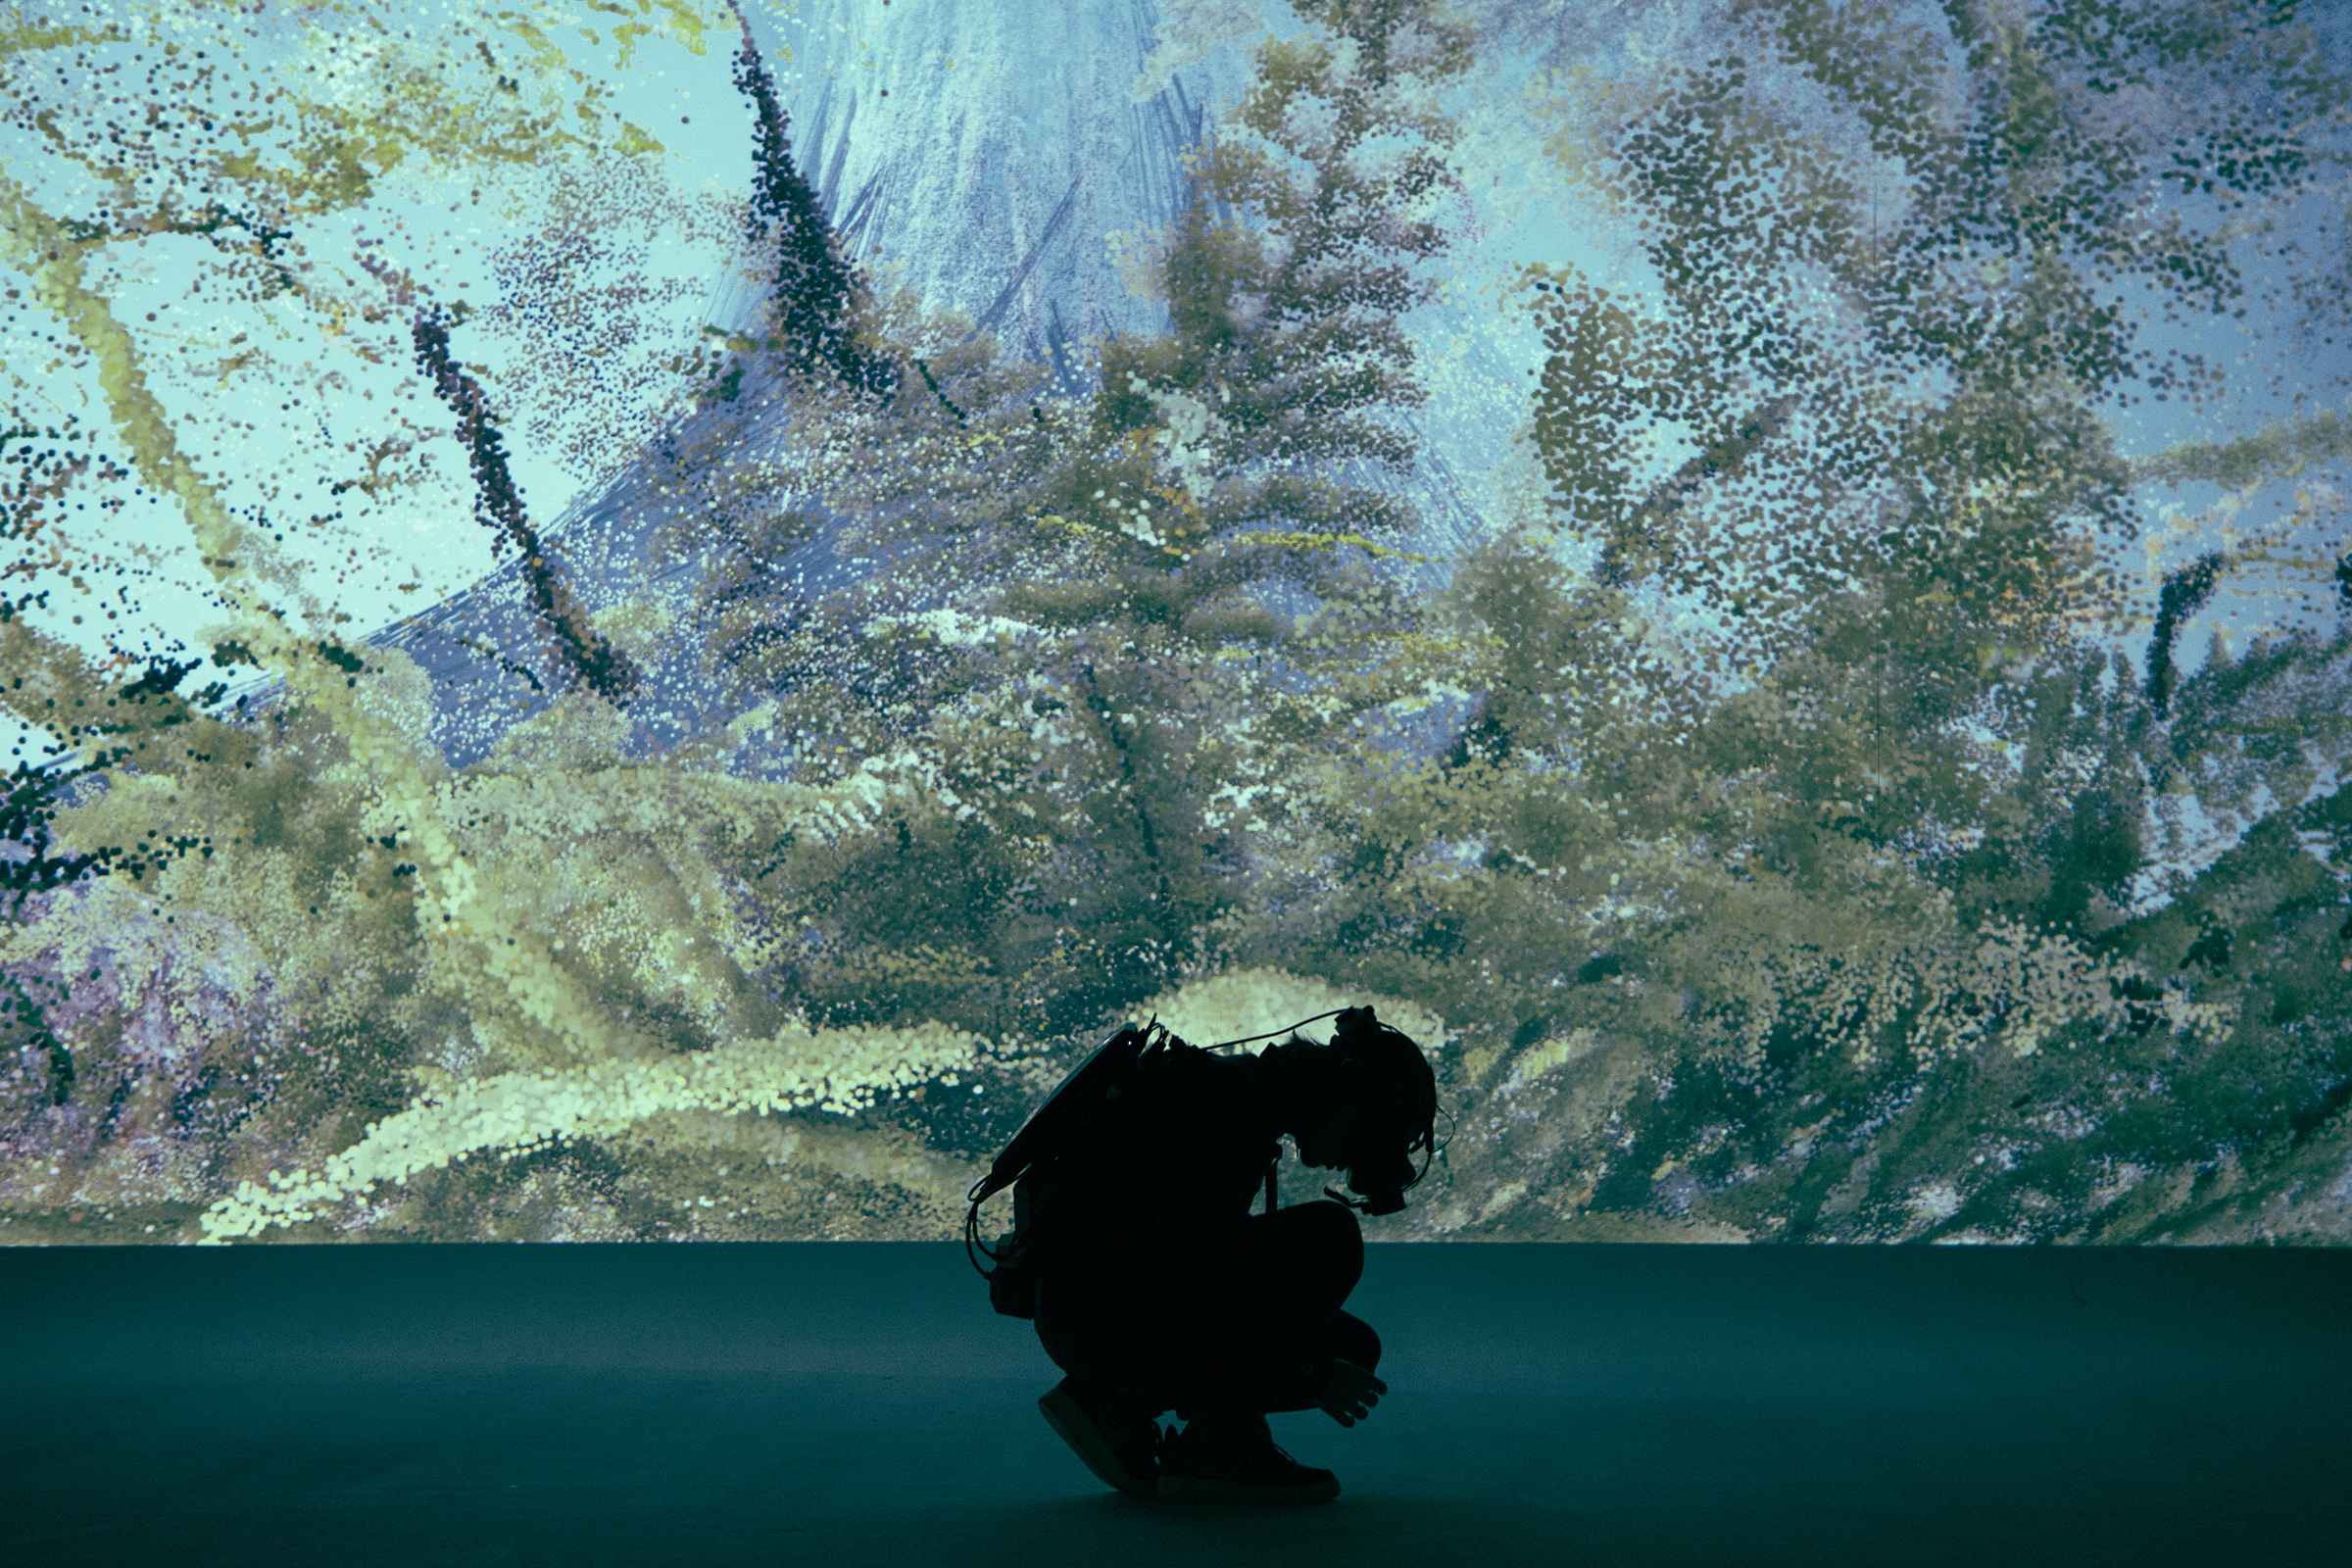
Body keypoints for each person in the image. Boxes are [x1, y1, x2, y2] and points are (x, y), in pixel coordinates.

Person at [1031, 1005, 1438, 1504]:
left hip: (1090, 1309)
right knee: (1330, 1238)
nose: (1352, 1162)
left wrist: (1313, 1360)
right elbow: (1181, 1283)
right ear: (1350, 1095)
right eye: (1371, 1135)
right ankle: (1212, 1446)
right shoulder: (1227, 1115)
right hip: (1103, 1321)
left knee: (1352, 1347)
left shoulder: (1231, 1097)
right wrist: (1312, 1370)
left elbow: (1193, 1260)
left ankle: (1115, 1398)